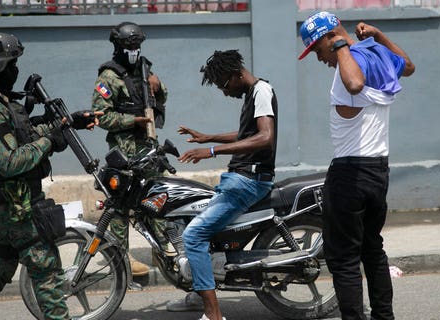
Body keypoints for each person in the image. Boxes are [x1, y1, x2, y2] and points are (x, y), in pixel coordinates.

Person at [0, 32, 100, 320]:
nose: (16, 69)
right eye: (12, 63)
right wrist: (50, 141)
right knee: (47, 271)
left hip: (6, 205)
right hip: (16, 208)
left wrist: (66, 124)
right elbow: (10, 161)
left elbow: (22, 136)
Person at [298, 12, 415, 320]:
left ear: (328, 39)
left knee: (344, 258)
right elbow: (409, 67)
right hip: (378, 172)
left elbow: (353, 83)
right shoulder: (375, 54)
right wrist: (378, 36)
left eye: (317, 50)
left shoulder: (347, 67)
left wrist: (339, 45)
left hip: (350, 174)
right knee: (372, 249)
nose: (319, 58)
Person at [175, 49, 278, 320]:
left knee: (193, 236)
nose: (224, 92)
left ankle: (213, 315)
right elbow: (246, 134)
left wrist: (210, 152)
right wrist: (207, 137)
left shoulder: (262, 91)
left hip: (249, 180)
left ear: (236, 74)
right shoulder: (252, 95)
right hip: (239, 179)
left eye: (223, 85)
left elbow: (265, 137)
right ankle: (199, 289)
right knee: (190, 219)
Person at [91, 21, 169, 277]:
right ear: (118, 46)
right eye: (129, 45)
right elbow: (101, 117)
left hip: (148, 147)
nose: (134, 49)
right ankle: (120, 257)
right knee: (121, 206)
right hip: (124, 151)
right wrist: (131, 121)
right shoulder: (108, 77)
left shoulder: (146, 68)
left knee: (157, 198)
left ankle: (164, 250)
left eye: (137, 45)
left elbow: (159, 101)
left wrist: (159, 88)